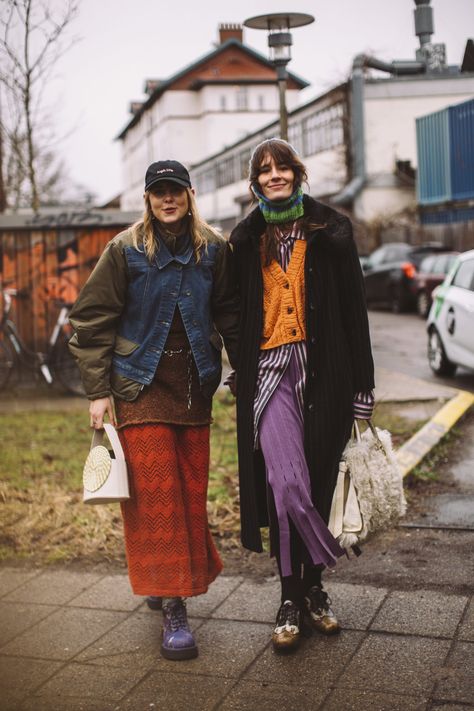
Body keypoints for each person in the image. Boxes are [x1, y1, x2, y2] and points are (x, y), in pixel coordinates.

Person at [69, 160, 238, 661]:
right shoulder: (124, 251)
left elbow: (228, 310)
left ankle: (165, 580)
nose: (168, 199)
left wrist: (245, 369)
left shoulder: (213, 249)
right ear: (147, 198)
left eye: (176, 191)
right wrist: (98, 391)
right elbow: (91, 320)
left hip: (193, 389)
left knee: (188, 491)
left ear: (189, 194)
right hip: (138, 387)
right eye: (158, 192)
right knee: (156, 497)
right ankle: (175, 608)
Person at [228, 138, 375, 652]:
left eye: (282, 168)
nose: (274, 176)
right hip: (269, 372)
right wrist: (238, 363)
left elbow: (355, 310)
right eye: (264, 171)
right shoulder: (245, 240)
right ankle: (304, 584)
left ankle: (306, 595)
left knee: (314, 482)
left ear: (297, 172)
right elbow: (230, 309)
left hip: (324, 372)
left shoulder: (329, 232)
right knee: (284, 483)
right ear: (255, 182)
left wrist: (363, 385)